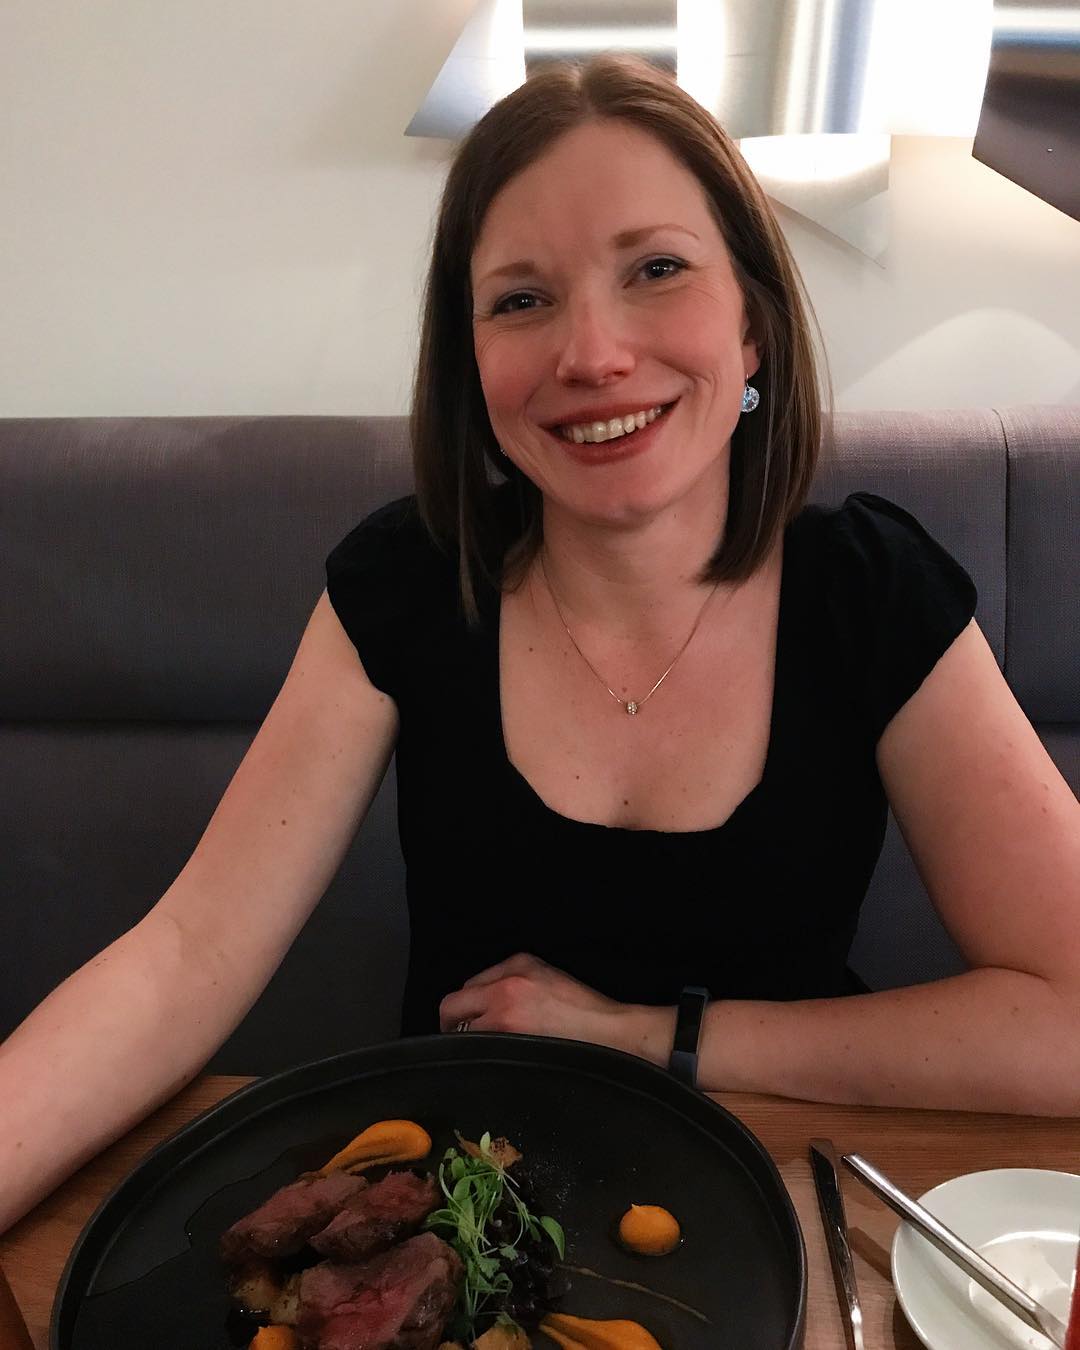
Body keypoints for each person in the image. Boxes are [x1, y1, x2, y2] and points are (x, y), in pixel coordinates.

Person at [2, 55, 1079, 1236]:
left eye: (657, 268)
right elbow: (185, 958)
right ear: (472, 363)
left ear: (755, 322)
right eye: (522, 299)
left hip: (795, 1200)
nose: (594, 354)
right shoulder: (409, 580)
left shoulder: (871, 592)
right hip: (467, 1220)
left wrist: (652, 1039)